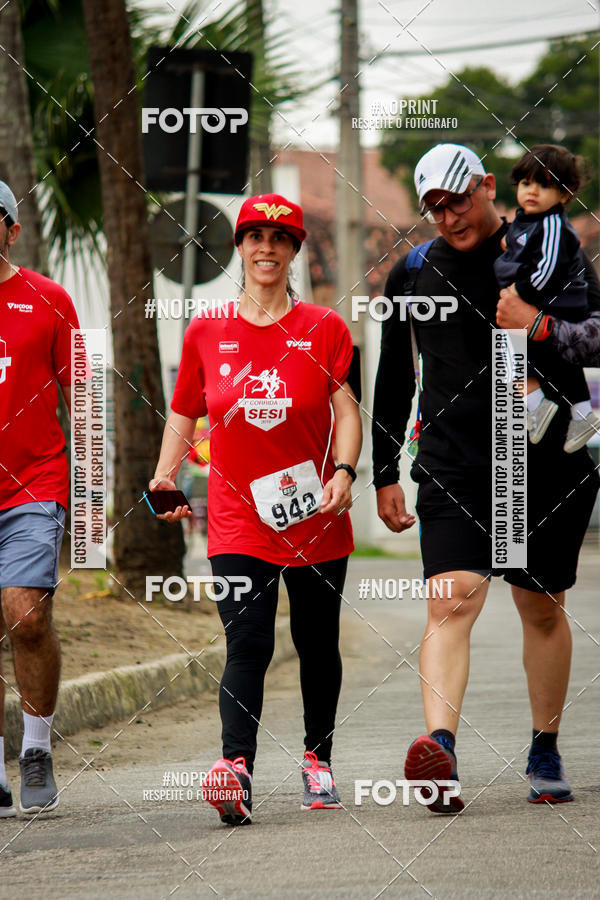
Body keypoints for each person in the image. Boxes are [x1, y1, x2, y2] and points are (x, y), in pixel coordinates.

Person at [372, 143, 600, 813]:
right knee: (450, 600)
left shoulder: (548, 249)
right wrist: (383, 469)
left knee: (539, 605)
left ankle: (545, 746)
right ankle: (439, 752)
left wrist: (537, 324)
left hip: (543, 457)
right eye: (434, 207)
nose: (448, 216)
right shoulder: (411, 273)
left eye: (458, 199)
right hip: (453, 464)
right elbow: (392, 377)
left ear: (488, 186)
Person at [150, 193, 362, 825]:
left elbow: (347, 410)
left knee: (316, 641)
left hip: (314, 511)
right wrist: (164, 475)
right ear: (238, 247)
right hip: (237, 517)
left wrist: (346, 472)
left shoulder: (323, 327)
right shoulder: (206, 330)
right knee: (247, 641)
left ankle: (317, 759)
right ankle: (234, 768)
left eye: (280, 237)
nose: (265, 247)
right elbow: (186, 411)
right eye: (254, 236)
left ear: (294, 250)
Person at [0, 181, 80, 816]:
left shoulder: (49, 300)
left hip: (35, 483)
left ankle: (35, 748)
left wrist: (93, 505)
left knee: (26, 613)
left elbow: (83, 396)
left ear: (11, 229)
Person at [494, 144, 600, 451]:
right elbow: (516, 244)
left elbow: (548, 266)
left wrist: (521, 293)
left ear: (564, 195)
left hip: (558, 300)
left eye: (545, 185)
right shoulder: (524, 220)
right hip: (543, 301)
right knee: (542, 356)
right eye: (527, 183)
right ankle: (568, 409)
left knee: (528, 349)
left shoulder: (553, 224)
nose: (533, 191)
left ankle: (542, 405)